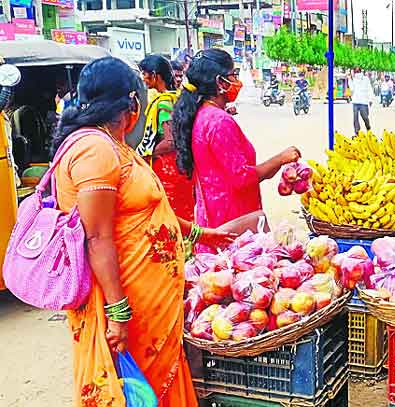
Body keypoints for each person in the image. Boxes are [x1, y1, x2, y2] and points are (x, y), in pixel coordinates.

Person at [50, 56, 235, 407]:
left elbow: (149, 212)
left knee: (155, 388)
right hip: (127, 306)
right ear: (131, 103)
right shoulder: (95, 151)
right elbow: (97, 238)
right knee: (136, 391)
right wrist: (119, 314)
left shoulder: (112, 146)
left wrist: (201, 234)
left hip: (148, 306)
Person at [172, 49, 301, 238]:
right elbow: (242, 177)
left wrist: (276, 164)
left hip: (213, 214)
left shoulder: (202, 114)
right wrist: (280, 159)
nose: (236, 81)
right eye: (233, 75)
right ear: (220, 82)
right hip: (231, 220)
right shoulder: (218, 121)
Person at [136, 55, 195, 221]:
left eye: (144, 73)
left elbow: (170, 141)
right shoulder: (177, 98)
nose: (143, 78)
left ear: (155, 75)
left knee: (171, 216)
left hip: (169, 168)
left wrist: (146, 153)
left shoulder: (163, 103)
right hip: (182, 165)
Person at [350, 67, 373, 134]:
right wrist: (349, 79)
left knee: (365, 117)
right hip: (355, 101)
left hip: (363, 101)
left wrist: (370, 99)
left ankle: (368, 127)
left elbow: (369, 89)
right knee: (355, 118)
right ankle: (357, 132)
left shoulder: (366, 79)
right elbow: (352, 89)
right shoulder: (353, 79)